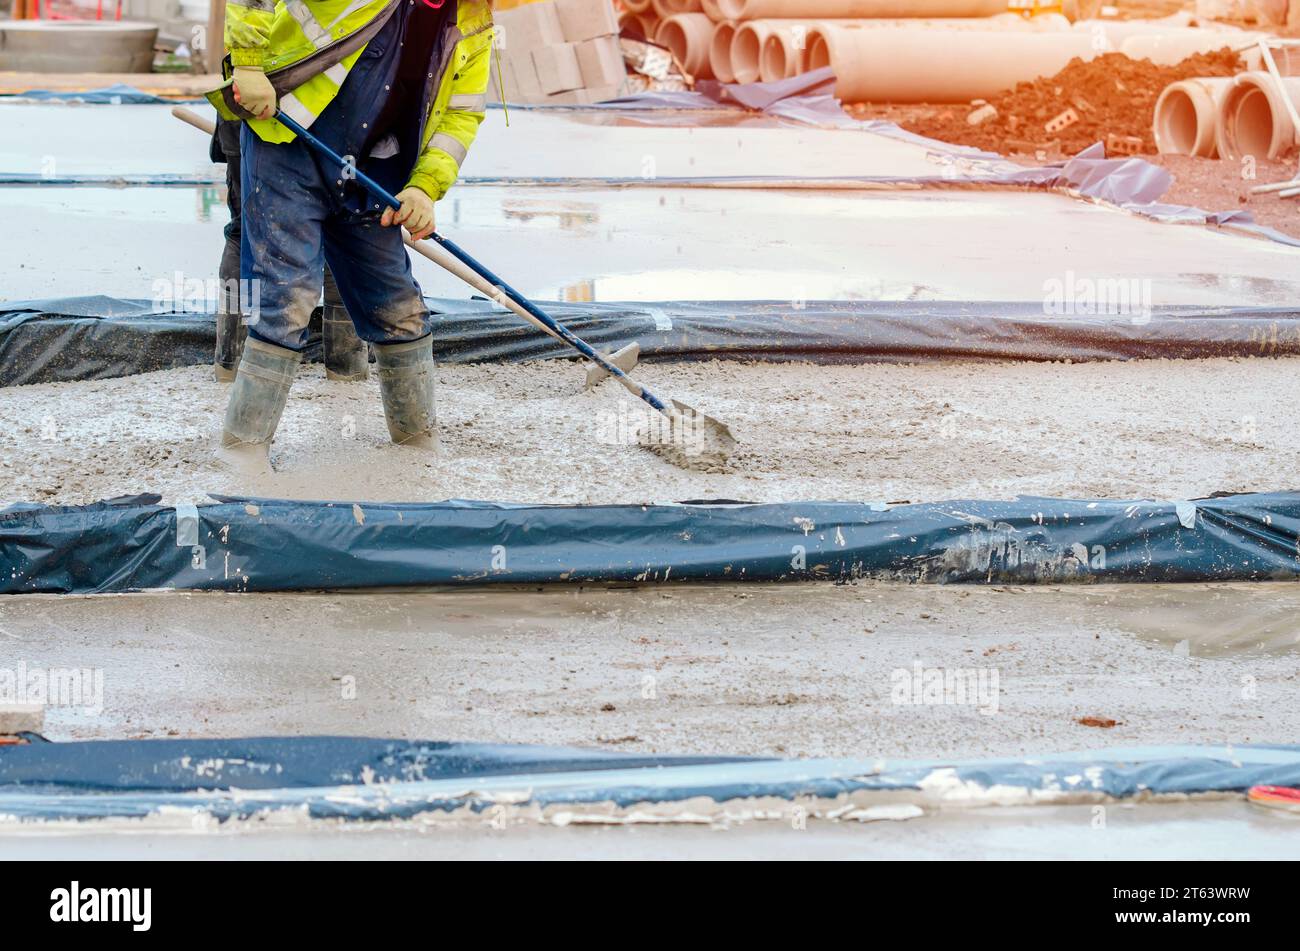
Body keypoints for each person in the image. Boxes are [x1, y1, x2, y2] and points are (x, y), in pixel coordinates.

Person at [206, 0, 495, 473]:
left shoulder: (474, 22)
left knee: (398, 306)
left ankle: (416, 442)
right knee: (288, 298)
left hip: (374, 169)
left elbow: (462, 115)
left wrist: (425, 187)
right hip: (291, 145)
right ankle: (243, 448)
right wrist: (249, 63)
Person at [210, 118, 368, 383]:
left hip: (248, 117)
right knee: (343, 225)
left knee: (245, 228)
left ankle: (231, 364)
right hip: (333, 118)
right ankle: (346, 369)